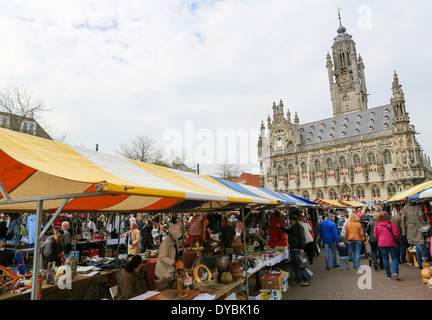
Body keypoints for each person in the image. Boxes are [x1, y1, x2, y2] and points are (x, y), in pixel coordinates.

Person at [278, 214, 311, 286]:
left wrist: (302, 247)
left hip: (298, 250)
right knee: (294, 265)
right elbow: (288, 231)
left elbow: (302, 238)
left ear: (294, 220)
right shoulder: (293, 227)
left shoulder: (299, 227)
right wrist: (280, 227)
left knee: (300, 265)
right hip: (293, 249)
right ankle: (297, 278)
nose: (290, 222)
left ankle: (306, 280)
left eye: (291, 221)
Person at [402, 201, 429, 269]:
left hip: (410, 228)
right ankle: (425, 263)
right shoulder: (419, 207)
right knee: (421, 246)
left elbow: (403, 220)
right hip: (418, 227)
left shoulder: (405, 208)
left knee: (417, 246)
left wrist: (404, 232)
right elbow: (421, 217)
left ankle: (420, 264)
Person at [374, 211, 400, 280]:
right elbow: (396, 233)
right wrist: (396, 240)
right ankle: (395, 271)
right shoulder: (391, 224)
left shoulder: (377, 225)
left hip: (382, 244)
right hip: (391, 243)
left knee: (385, 259)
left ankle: (388, 275)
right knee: (394, 258)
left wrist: (379, 240)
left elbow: (375, 235)